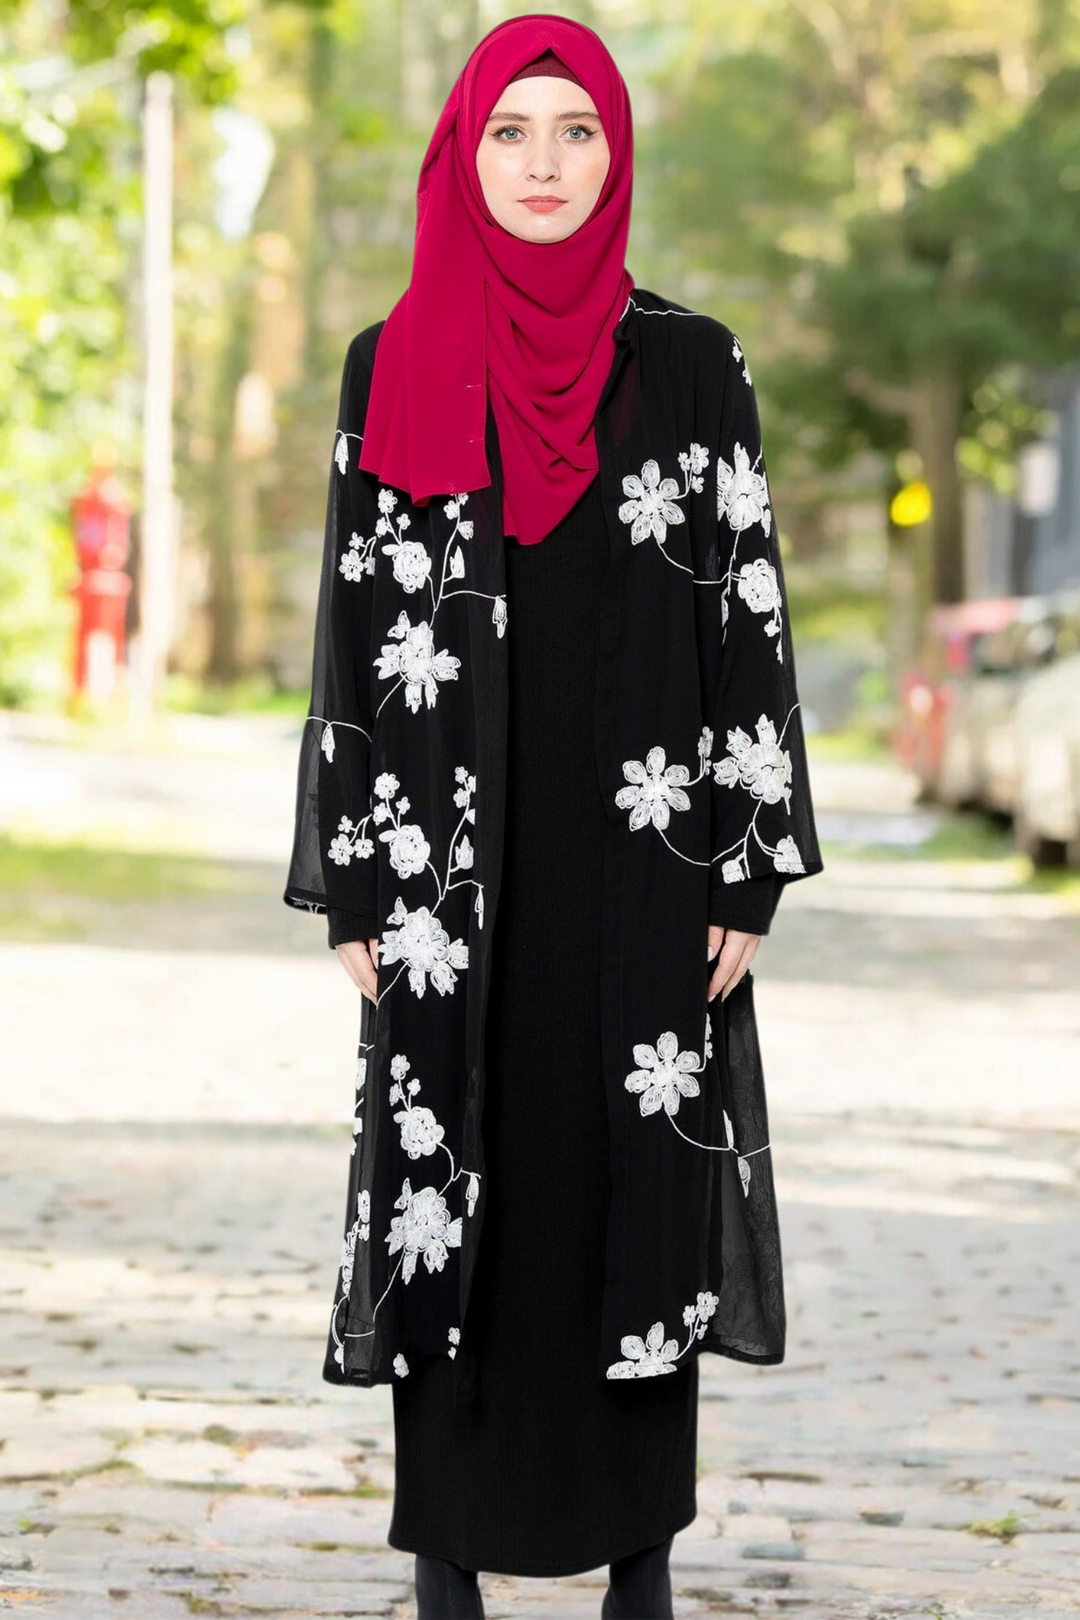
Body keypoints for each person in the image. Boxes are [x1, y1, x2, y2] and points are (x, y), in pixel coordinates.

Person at [283, 14, 823, 1619]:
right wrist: (362, 885)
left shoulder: (695, 361)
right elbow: (354, 629)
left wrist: (748, 862)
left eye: (574, 132)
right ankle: (446, 1563)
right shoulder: (394, 364)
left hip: (649, 865)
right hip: (455, 881)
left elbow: (750, 614)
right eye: (511, 132)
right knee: (455, 1183)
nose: (542, 164)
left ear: (615, 157)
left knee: (633, 1191)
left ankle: (638, 1566)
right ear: (466, 152)